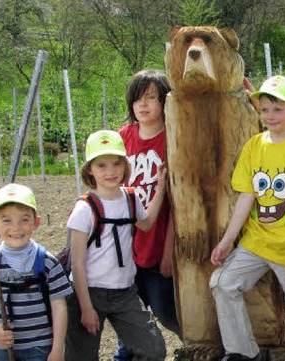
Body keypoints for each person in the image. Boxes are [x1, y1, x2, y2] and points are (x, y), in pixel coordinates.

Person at [209, 75, 285, 361]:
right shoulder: (254, 146)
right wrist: (226, 242)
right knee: (222, 282)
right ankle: (243, 353)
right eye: (265, 109)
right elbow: (246, 198)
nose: (270, 116)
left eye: (278, 109)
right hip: (256, 242)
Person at [64, 130, 167, 361]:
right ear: (90, 168)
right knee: (81, 356)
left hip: (125, 292)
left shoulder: (130, 198)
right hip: (89, 291)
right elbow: (77, 265)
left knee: (153, 350)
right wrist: (86, 307)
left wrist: (160, 188)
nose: (110, 171)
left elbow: (147, 223)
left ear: (125, 165)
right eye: (101, 165)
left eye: (116, 163)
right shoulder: (84, 209)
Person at [116, 70, 181, 360]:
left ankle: (202, 347)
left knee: (165, 310)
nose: (143, 105)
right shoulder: (123, 137)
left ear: (165, 102)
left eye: (152, 98)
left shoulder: (173, 139)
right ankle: (125, 355)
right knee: (129, 314)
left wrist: (169, 250)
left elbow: (180, 205)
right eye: (138, 98)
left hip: (157, 241)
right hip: (125, 244)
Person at [0, 183, 72, 361]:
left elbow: (59, 307)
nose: (16, 228)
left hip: (40, 347)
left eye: (24, 219)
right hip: (2, 348)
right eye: (6, 220)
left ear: (36, 222)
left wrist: (58, 349)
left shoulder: (48, 262)